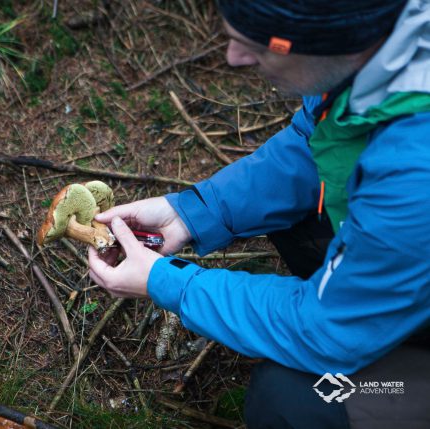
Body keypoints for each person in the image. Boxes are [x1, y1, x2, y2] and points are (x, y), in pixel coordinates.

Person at [87, 1, 430, 428]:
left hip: (357, 306)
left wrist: (169, 282)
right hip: (405, 257)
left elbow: (324, 329)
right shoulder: (371, 52)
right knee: (298, 217)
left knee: (296, 400)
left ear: (323, 44)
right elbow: (315, 143)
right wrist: (192, 213)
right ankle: (381, 309)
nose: (234, 58)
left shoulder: (415, 169)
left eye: (256, 46)